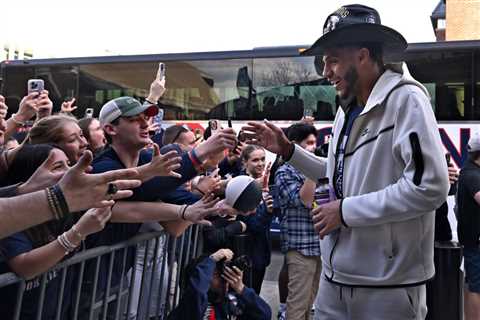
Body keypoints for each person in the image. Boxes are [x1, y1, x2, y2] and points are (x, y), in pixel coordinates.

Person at [242, 4, 449, 320]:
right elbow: (338, 175)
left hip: (387, 287)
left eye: (332, 60)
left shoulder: (407, 100)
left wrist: (345, 211)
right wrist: (288, 151)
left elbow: (429, 187)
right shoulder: (345, 111)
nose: (325, 72)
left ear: (363, 56)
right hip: (334, 279)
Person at [0, 144, 112, 319]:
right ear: (31, 175)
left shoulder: (64, 210)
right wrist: (78, 232)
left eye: (69, 164)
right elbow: (25, 266)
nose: (69, 173)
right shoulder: (13, 215)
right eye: (58, 167)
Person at [275, 123, 321, 320]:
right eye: (308, 143)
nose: (313, 148)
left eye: (314, 143)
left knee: (310, 303)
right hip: (300, 248)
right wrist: (313, 170)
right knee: (297, 305)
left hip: (318, 245)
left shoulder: (314, 170)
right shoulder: (285, 172)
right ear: (294, 145)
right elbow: (305, 200)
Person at [167, 248, 271, 320]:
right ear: (203, 278)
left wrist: (242, 289)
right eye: (216, 274)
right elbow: (197, 293)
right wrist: (211, 260)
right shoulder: (190, 306)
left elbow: (264, 315)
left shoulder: (232, 302)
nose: (223, 278)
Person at [456, 132, 480, 320]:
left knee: (473, 283)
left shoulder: (469, 170)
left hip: (473, 240)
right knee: (476, 287)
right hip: (476, 242)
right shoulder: (473, 174)